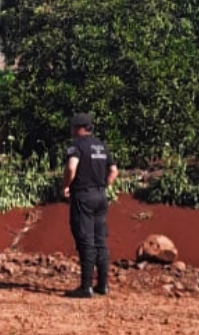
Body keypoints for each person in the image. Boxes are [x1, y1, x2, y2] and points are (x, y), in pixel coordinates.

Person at [61, 112, 118, 298]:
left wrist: (66, 186)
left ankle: (86, 287)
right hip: (100, 196)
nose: (71, 131)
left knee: (86, 240)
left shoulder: (76, 145)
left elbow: (71, 167)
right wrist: (103, 187)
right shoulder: (101, 146)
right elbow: (114, 171)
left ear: (79, 128)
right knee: (100, 240)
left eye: (72, 127)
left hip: (83, 196)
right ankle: (103, 285)